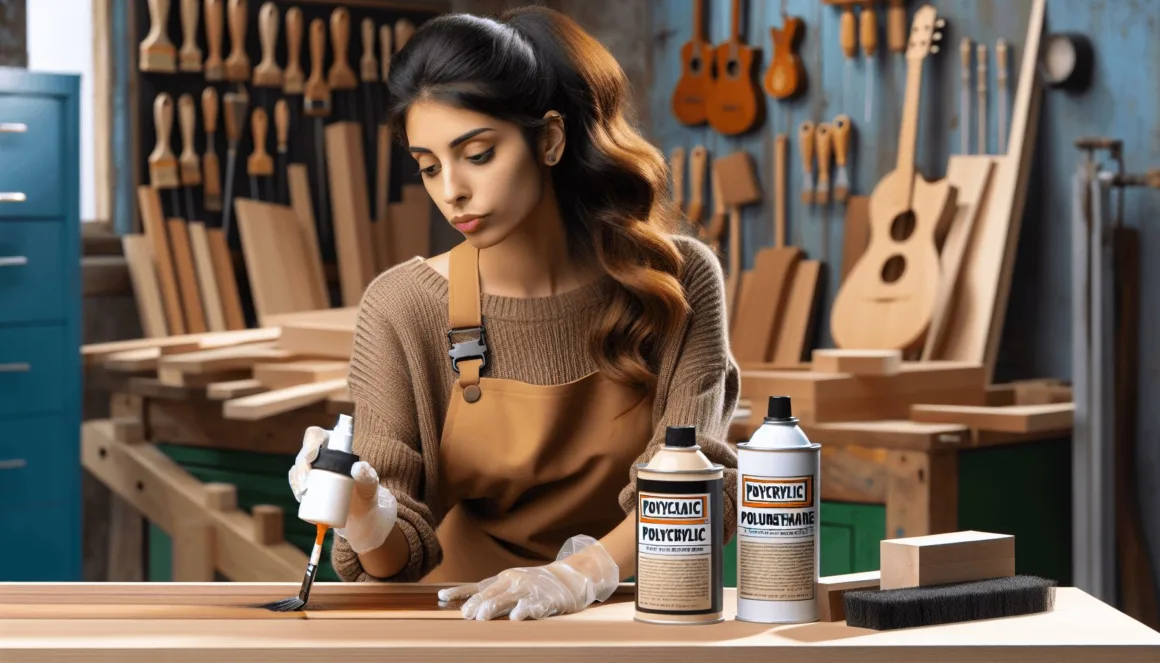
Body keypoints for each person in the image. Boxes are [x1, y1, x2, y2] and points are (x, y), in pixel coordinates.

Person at [287, 5, 740, 622]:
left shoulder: (676, 282)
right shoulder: (405, 305)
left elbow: (699, 492)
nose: (452, 191)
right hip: (467, 621)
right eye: (428, 166)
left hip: (637, 613)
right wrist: (369, 517)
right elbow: (396, 565)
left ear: (549, 139)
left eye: (477, 154)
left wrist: (581, 575)